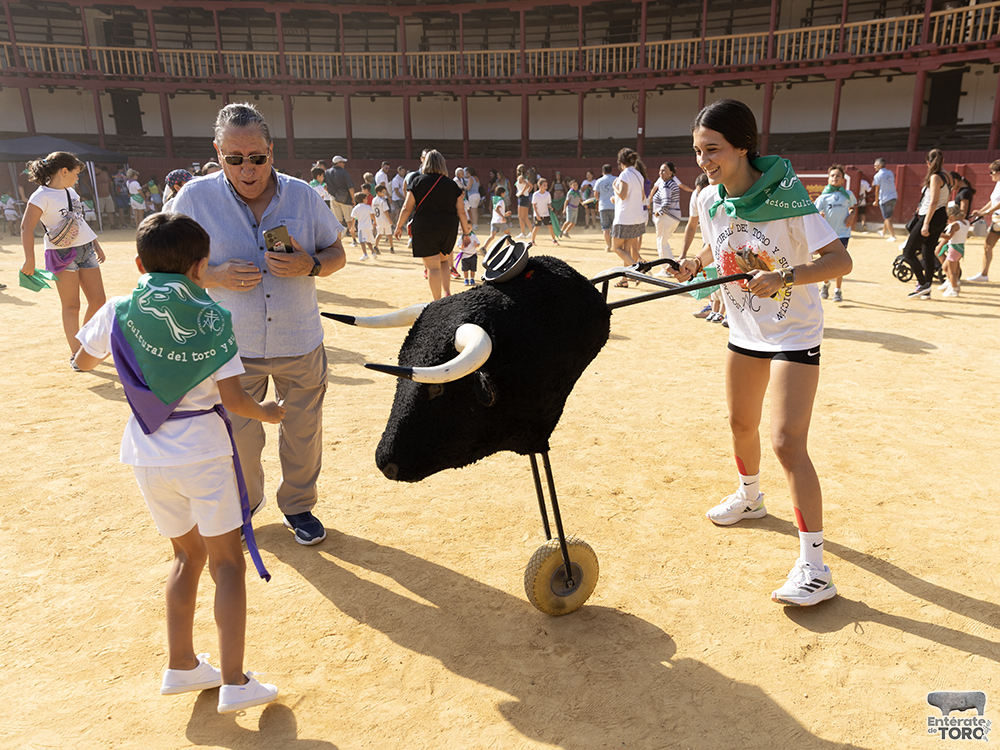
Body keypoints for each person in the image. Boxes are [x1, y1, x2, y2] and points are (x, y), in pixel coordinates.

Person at [74, 212, 284, 712]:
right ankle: (235, 681)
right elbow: (235, 400)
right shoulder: (212, 315)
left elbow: (82, 361)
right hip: (204, 449)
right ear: (201, 265)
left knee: (185, 555)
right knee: (227, 562)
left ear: (140, 262)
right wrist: (268, 413)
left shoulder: (120, 309)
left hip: (146, 451)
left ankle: (181, 665)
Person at [670, 98, 852, 606]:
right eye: (697, 151)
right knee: (739, 423)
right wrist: (691, 264)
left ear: (742, 146)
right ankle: (751, 498)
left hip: (794, 331)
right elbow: (714, 245)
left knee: (787, 443)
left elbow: (841, 261)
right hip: (746, 328)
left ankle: (816, 568)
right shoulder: (709, 199)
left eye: (713, 150)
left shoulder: (788, 199)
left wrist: (784, 276)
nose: (703, 161)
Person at [170, 101, 347, 547]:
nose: (247, 169)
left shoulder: (304, 195)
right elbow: (164, 265)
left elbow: (336, 254)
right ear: (218, 152)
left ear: (272, 150)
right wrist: (213, 276)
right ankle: (246, 502)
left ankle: (299, 506)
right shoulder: (193, 198)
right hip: (233, 346)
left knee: (303, 433)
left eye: (257, 158)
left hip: (299, 339)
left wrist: (311, 265)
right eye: (234, 159)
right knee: (239, 435)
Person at [20, 151, 107, 364]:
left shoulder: (71, 192)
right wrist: (29, 259)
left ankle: (84, 342)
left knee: (98, 300)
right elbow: (26, 227)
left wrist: (95, 243)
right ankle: (76, 354)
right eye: (76, 173)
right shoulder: (40, 196)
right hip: (60, 254)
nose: (78, 178)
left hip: (86, 249)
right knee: (71, 305)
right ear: (64, 171)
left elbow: (78, 220)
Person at [393, 149, 471, 301]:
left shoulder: (417, 181)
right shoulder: (451, 184)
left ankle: (437, 301)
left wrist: (398, 226)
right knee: (443, 262)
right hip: (448, 228)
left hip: (425, 227)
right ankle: (447, 293)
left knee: (433, 267)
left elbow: (407, 207)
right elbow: (461, 211)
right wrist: (466, 233)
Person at [901, 149, 952, 300]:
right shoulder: (948, 176)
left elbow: (934, 201)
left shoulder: (935, 177)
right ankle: (926, 288)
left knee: (908, 252)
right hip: (941, 215)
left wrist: (926, 224)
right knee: (928, 252)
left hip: (930, 216)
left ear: (928, 163)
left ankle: (923, 284)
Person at [813, 164, 856, 303]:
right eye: (832, 175)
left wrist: (852, 215)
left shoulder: (848, 195)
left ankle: (838, 290)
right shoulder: (823, 197)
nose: (835, 178)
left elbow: (852, 208)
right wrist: (820, 216)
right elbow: (814, 214)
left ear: (843, 179)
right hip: (827, 234)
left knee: (841, 261)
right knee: (828, 262)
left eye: (838, 175)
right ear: (828, 178)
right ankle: (825, 284)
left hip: (843, 233)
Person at [610, 148, 646, 282]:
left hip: (624, 217)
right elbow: (642, 197)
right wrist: (617, 199)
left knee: (616, 248)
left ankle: (637, 269)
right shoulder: (639, 175)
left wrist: (614, 187)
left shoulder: (624, 175)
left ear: (620, 162)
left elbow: (623, 195)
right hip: (637, 217)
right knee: (626, 248)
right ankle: (624, 280)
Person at [968, 159, 1000, 283]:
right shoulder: (998, 184)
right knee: (987, 246)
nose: (990, 175)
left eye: (992, 172)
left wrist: (987, 212)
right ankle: (984, 274)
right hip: (997, 219)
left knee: (988, 245)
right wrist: (982, 211)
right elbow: (993, 201)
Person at [651, 162, 682, 266]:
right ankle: (668, 267)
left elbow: (666, 203)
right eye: (660, 171)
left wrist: (659, 212)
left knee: (662, 243)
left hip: (666, 216)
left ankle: (667, 268)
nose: (661, 173)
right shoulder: (672, 183)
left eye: (664, 170)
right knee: (663, 242)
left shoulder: (666, 185)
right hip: (672, 216)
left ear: (671, 172)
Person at [935, 205, 968, 297]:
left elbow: (948, 236)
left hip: (953, 248)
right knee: (949, 268)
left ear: (952, 217)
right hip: (960, 248)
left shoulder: (955, 225)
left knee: (951, 271)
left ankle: (954, 289)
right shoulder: (965, 222)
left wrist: (938, 233)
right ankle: (954, 284)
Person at [323, 155, 355, 238]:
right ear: (339, 163)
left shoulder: (327, 172)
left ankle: (338, 238)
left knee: (337, 220)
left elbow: (325, 186)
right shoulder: (344, 172)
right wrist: (353, 199)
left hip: (333, 198)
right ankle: (354, 239)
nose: (344, 164)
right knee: (349, 220)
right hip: (346, 199)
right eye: (343, 162)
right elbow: (350, 187)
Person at [871, 158, 898, 242]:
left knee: (887, 218)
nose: (874, 167)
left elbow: (876, 190)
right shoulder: (890, 172)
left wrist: (876, 201)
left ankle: (893, 236)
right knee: (888, 216)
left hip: (885, 198)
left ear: (879, 165)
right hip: (893, 196)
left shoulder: (877, 175)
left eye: (875, 165)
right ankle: (883, 232)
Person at [594, 164, 616, 253]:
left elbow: (596, 195)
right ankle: (616, 245)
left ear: (603, 172)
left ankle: (608, 246)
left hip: (603, 206)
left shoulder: (599, 181)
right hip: (614, 205)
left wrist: (601, 200)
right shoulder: (616, 179)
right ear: (611, 171)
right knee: (615, 227)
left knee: (605, 227)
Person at [530, 177, 559, 246]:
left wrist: (550, 207)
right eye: (544, 185)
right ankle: (532, 241)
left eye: (546, 185)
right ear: (539, 186)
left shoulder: (548, 194)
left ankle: (554, 240)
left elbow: (548, 203)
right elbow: (534, 205)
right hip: (538, 214)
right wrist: (537, 215)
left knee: (550, 226)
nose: (546, 187)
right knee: (536, 227)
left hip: (546, 213)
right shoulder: (535, 194)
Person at [485, 185, 511, 250]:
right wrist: (503, 217)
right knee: (508, 234)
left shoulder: (495, 200)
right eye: (504, 193)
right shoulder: (501, 201)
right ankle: (508, 248)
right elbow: (497, 209)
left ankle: (484, 247)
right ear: (502, 193)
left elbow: (497, 211)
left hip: (494, 221)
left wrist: (505, 214)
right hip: (500, 221)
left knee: (492, 236)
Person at [351, 192, 376, 261]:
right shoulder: (368, 207)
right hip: (369, 226)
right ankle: (373, 253)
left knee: (362, 241)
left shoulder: (356, 208)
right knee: (368, 241)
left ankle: (365, 254)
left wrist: (352, 226)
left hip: (361, 227)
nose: (367, 200)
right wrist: (375, 222)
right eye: (366, 198)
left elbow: (353, 218)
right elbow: (373, 215)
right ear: (363, 199)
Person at [372, 183, 395, 254]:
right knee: (389, 234)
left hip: (378, 219)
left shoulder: (374, 200)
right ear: (378, 192)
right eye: (383, 192)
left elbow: (373, 212)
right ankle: (391, 247)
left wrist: (375, 220)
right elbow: (385, 211)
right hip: (384, 219)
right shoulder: (383, 200)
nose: (385, 193)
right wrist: (389, 219)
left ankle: (375, 246)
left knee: (379, 234)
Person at [514, 164, 533, 238]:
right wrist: (527, 192)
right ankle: (531, 231)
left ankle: (523, 233)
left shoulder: (520, 178)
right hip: (526, 197)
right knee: (525, 217)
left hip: (522, 197)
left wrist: (521, 192)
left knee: (520, 217)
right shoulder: (525, 178)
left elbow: (527, 185)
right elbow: (530, 186)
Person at [94, 165, 116, 229]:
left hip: (107, 194)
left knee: (110, 211)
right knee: (99, 212)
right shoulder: (92, 175)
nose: (95, 171)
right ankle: (100, 225)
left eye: (96, 170)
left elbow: (109, 182)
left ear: (99, 169)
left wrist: (110, 190)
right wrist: (91, 189)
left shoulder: (105, 174)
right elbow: (84, 180)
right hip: (99, 196)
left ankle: (112, 224)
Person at [465, 166, 481, 231]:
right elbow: (479, 185)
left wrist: (462, 186)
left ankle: (475, 225)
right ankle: (475, 224)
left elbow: (468, 188)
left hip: (472, 195)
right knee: (475, 210)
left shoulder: (471, 178)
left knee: (473, 211)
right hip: (477, 194)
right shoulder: (476, 178)